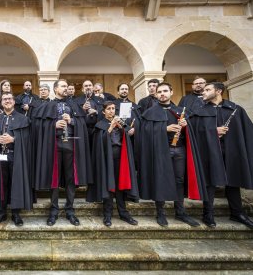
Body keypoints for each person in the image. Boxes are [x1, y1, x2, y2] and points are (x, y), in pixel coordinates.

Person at [136, 82, 206, 227]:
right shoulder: (150, 112)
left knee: (179, 180)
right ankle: (160, 213)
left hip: (180, 150)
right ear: (155, 94)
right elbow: (145, 132)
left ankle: (180, 212)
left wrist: (187, 126)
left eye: (165, 91)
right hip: (161, 150)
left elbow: (191, 134)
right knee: (160, 179)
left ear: (171, 92)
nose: (162, 94)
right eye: (159, 92)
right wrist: (164, 128)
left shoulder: (180, 111)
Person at [190, 82, 253, 229]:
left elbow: (247, 131)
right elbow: (193, 131)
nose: (203, 92)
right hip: (209, 152)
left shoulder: (235, 109)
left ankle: (237, 212)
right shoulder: (200, 110)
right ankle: (208, 214)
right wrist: (213, 131)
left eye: (207, 90)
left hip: (232, 151)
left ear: (218, 91)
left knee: (233, 181)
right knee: (210, 182)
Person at [31, 79, 93, 227]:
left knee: (71, 178)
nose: (66, 88)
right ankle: (53, 210)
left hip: (71, 144)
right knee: (54, 178)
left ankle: (70, 210)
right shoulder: (46, 105)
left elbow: (82, 124)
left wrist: (72, 121)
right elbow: (37, 126)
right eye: (63, 86)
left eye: (67, 86)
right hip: (54, 144)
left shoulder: (73, 105)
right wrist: (53, 124)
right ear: (55, 88)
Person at [0, 92, 32, 227]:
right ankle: (1, 213)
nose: (7, 101)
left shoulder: (23, 119)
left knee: (15, 183)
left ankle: (16, 213)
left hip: (16, 156)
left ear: (14, 102)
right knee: (0, 184)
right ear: (1, 102)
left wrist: (14, 139)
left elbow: (28, 139)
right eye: (5, 99)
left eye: (10, 99)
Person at [86, 101, 139, 227]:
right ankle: (107, 214)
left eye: (113, 109)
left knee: (121, 185)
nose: (111, 111)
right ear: (103, 111)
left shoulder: (121, 123)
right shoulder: (100, 125)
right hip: (107, 159)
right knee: (109, 186)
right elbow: (98, 143)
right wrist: (110, 128)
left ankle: (123, 213)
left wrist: (121, 127)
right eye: (108, 109)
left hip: (121, 157)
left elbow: (127, 137)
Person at [75, 80, 104, 146]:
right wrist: (83, 110)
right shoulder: (76, 101)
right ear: (82, 89)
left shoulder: (101, 100)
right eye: (86, 86)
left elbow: (105, 113)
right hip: (83, 130)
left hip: (97, 129)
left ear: (93, 88)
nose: (88, 87)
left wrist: (96, 112)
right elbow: (75, 115)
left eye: (90, 85)